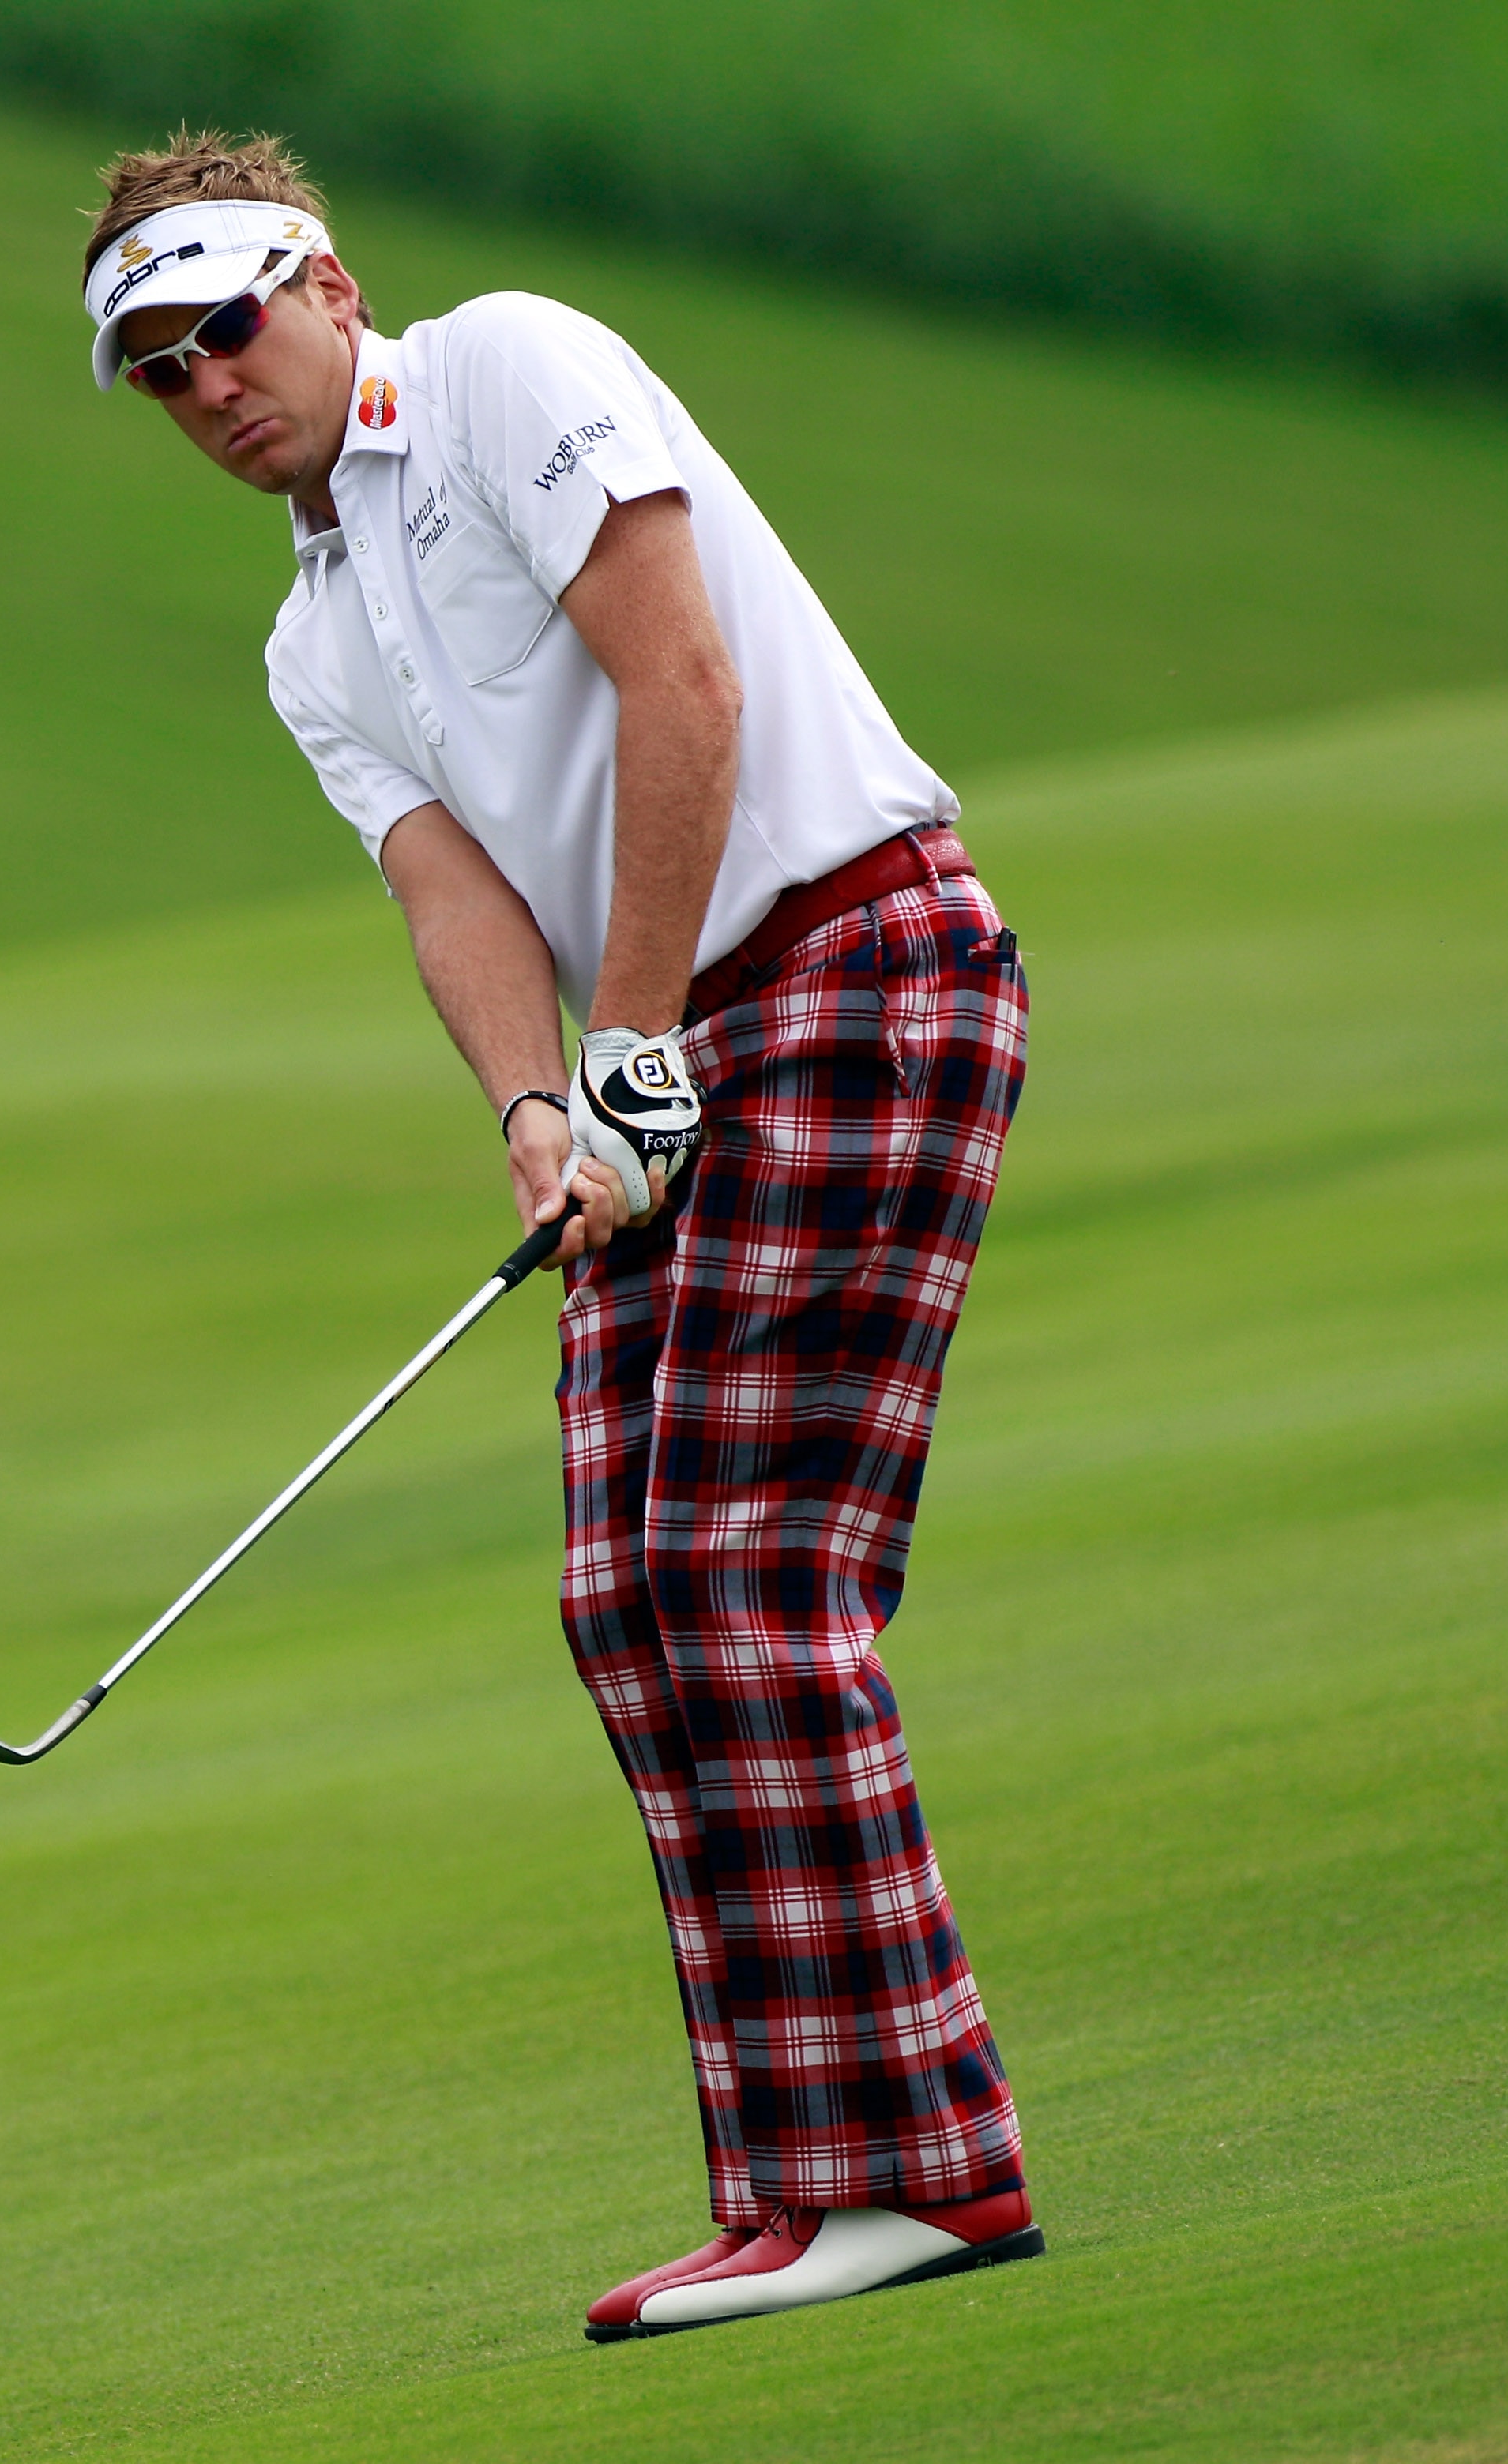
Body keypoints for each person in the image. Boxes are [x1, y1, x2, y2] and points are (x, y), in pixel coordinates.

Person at [77, 133, 1043, 2338]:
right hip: (665, 1051)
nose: (207, 384)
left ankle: (920, 2173)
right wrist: (541, 1109)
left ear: (325, 283)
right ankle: (794, 2179)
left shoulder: (505, 368)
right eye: (158, 369)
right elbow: (452, 895)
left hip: (858, 966)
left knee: (743, 1572)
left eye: (226, 327)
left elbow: (682, 687)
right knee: (630, 1602)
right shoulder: (311, 636)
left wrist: (629, 1051)